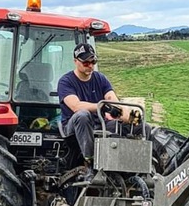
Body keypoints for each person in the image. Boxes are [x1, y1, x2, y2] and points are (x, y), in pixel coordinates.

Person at [57, 43, 147, 179]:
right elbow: (76, 106)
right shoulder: (66, 82)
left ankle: (140, 168)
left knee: (143, 127)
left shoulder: (100, 79)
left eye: (93, 62)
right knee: (82, 115)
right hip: (74, 129)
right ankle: (90, 162)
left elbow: (113, 100)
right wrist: (101, 106)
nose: (90, 66)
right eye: (86, 63)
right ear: (75, 61)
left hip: (99, 124)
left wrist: (129, 116)